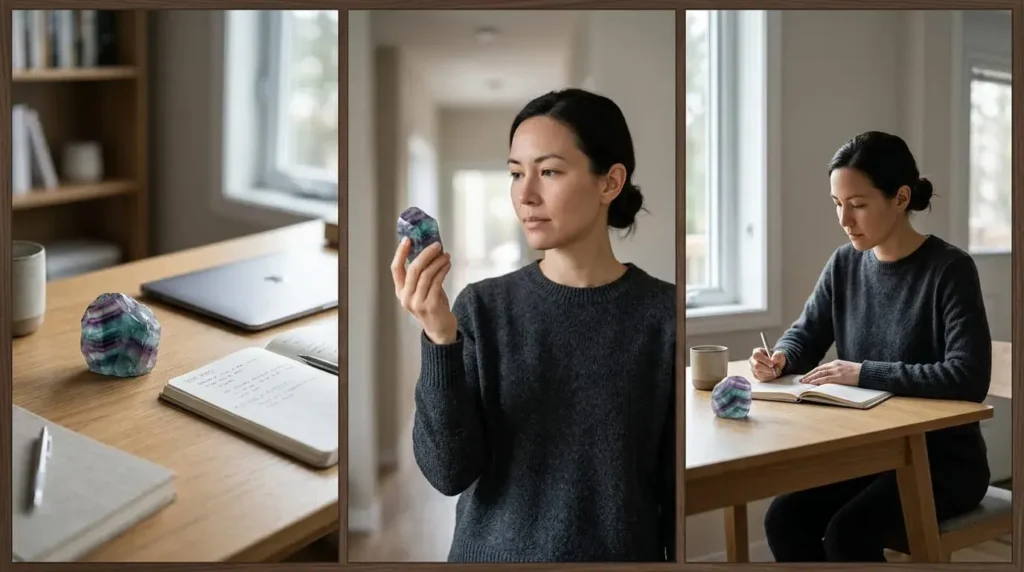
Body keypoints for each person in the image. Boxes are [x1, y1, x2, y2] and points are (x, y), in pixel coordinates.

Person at [390, 88, 676, 562]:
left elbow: (673, 491)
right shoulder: (482, 307)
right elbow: (448, 472)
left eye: (549, 171)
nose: (525, 195)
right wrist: (440, 338)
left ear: (610, 182)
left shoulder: (664, 316)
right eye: (516, 173)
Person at [749, 130, 993, 562]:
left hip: (944, 464)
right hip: (867, 455)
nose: (845, 220)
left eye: (858, 205)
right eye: (837, 204)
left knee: (848, 533)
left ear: (901, 198)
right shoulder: (844, 263)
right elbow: (806, 335)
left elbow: (967, 376)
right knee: (783, 519)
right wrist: (781, 357)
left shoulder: (950, 270)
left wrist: (862, 371)